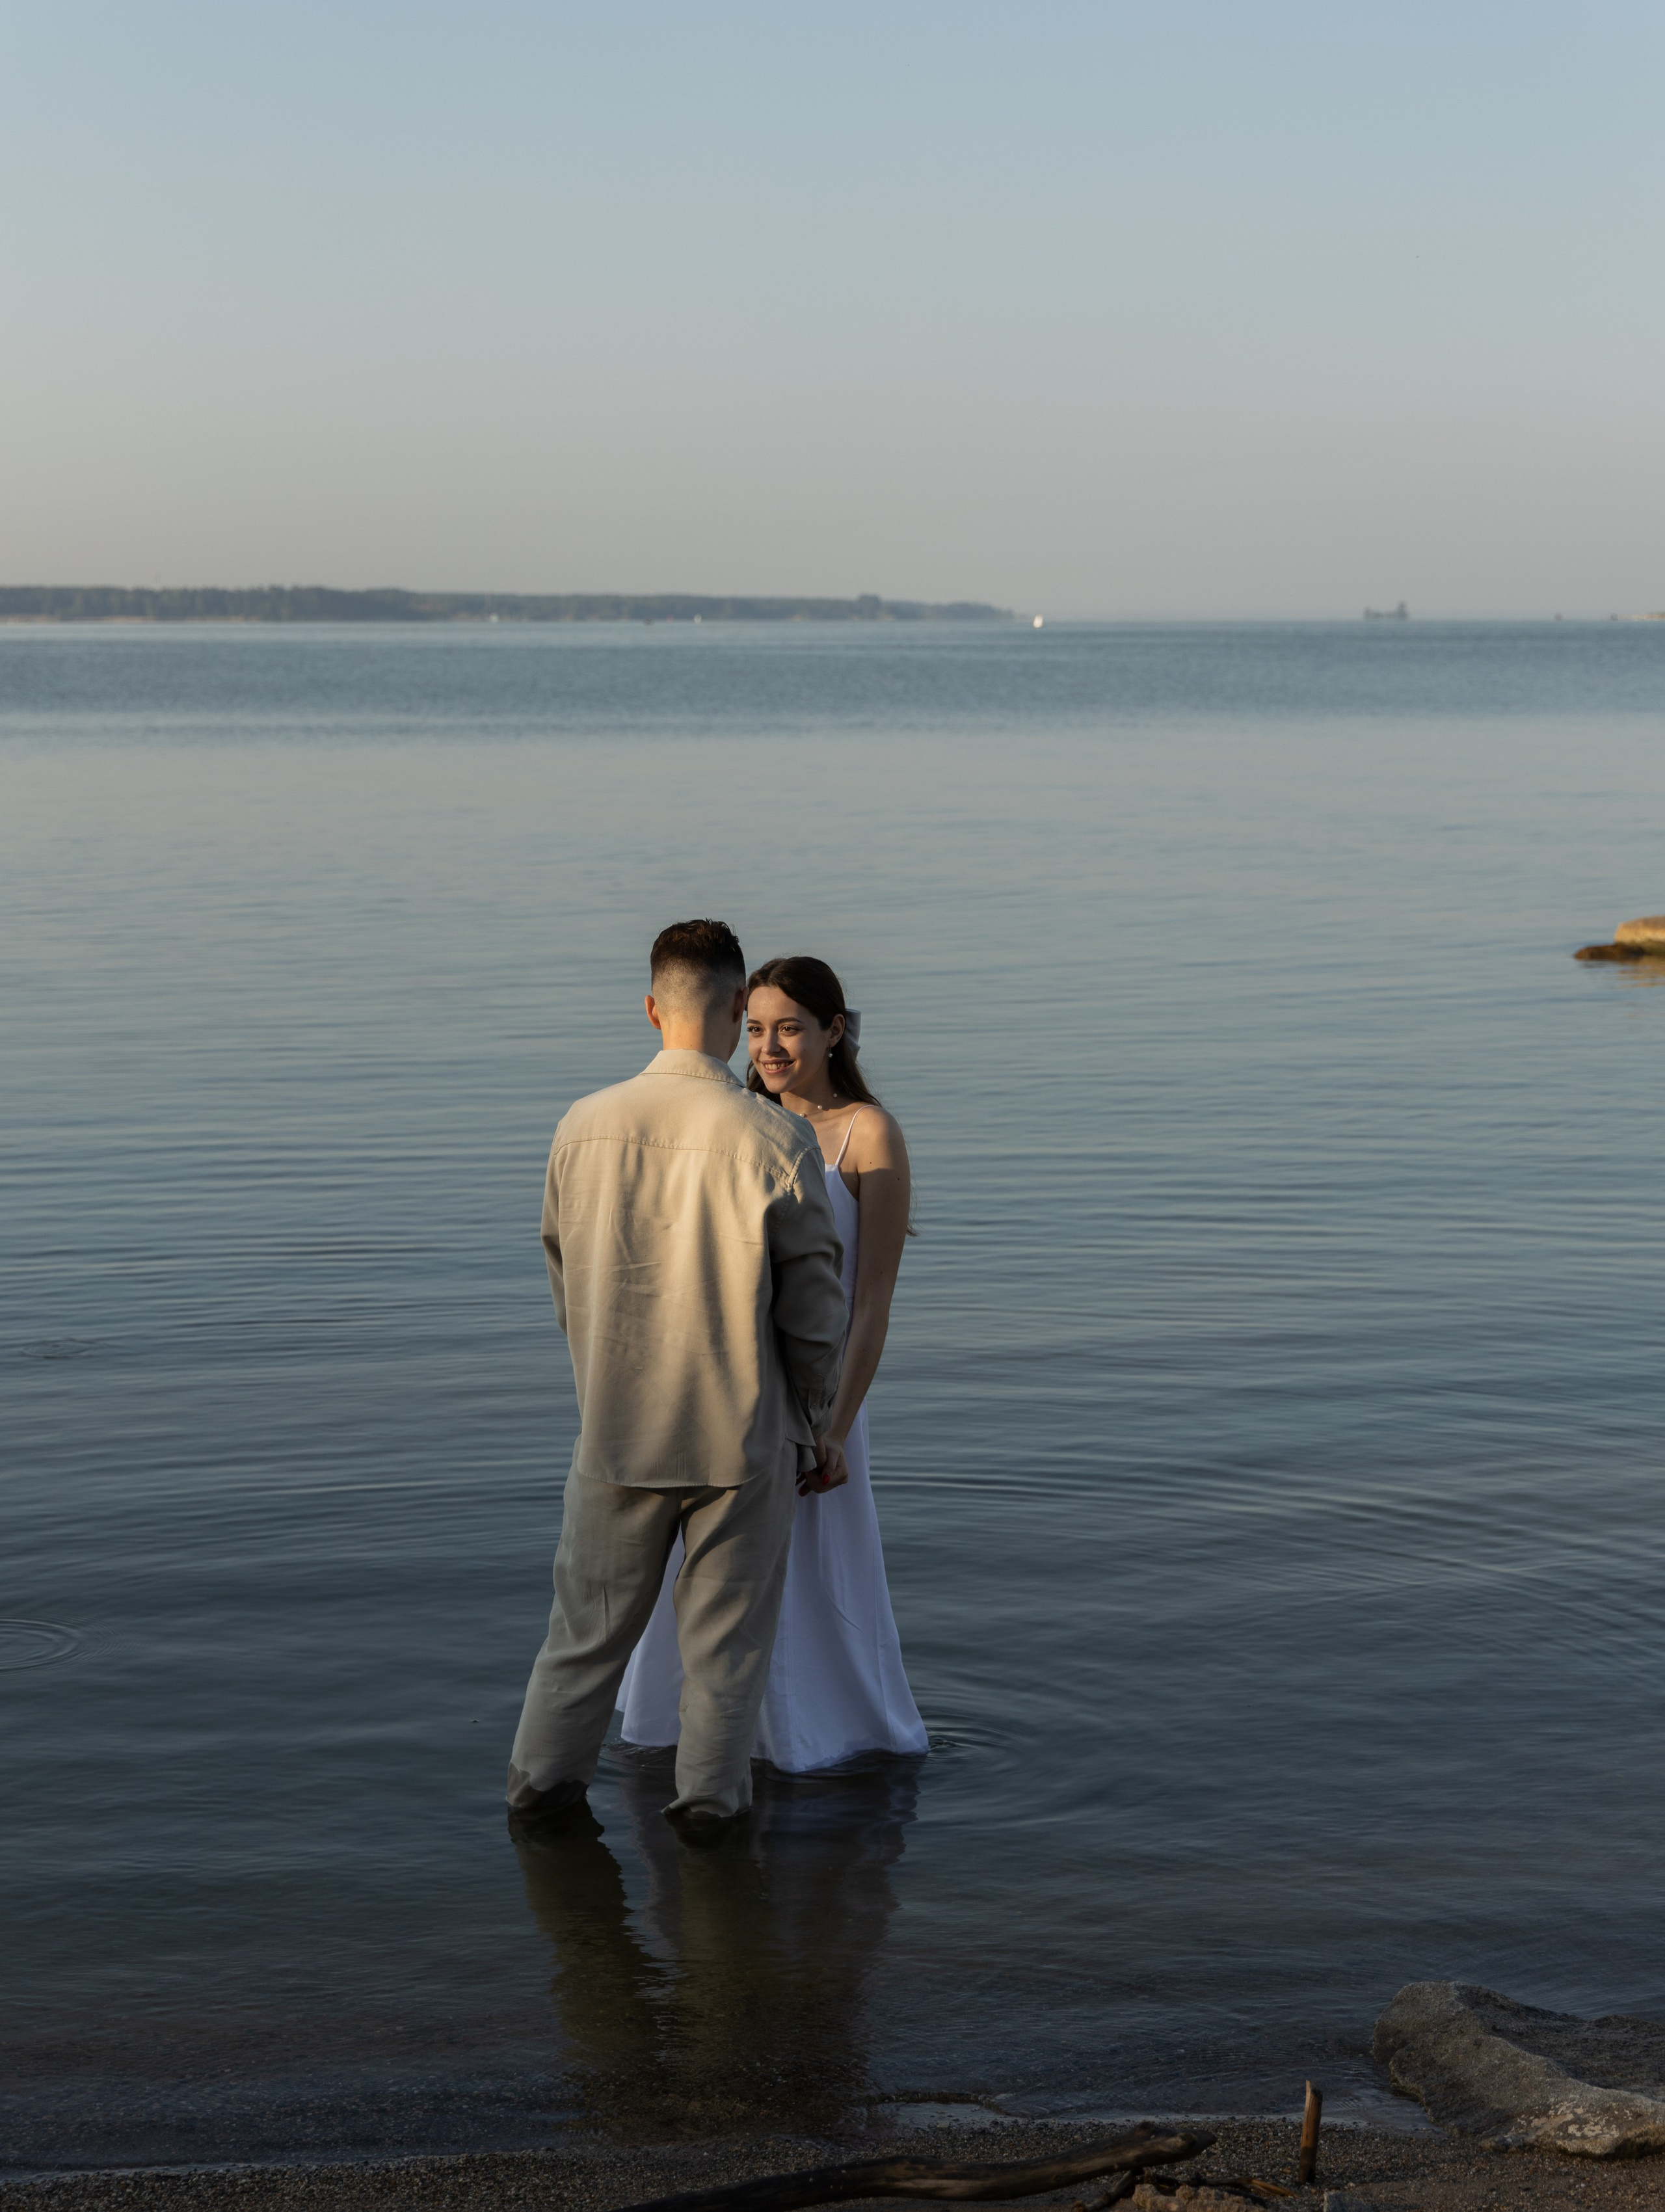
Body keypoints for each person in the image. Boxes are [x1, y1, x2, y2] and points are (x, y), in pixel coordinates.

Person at [507, 920, 850, 1836]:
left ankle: (539, 1801)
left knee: (581, 1642)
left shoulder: (582, 1125)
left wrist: (598, 1381)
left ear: (653, 1008)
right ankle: (708, 1823)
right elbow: (814, 1306)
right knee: (725, 1653)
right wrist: (814, 1417)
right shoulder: (774, 1137)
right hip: (741, 1433)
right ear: (741, 1009)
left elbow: (562, 1274)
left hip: (616, 1428)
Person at [618, 955, 929, 1770]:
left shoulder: (869, 1134)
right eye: (754, 1028)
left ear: (835, 1029)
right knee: (706, 1580)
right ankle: (695, 1747)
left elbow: (871, 1304)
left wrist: (833, 1425)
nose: (769, 1046)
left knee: (817, 1581)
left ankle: (825, 1743)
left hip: (820, 1405)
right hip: (721, 1400)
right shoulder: (734, 1124)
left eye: (790, 1026)